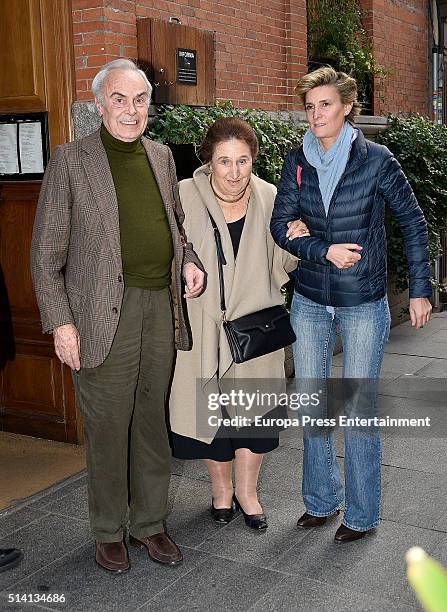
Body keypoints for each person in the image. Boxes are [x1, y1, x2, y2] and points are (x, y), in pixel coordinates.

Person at [30, 59, 205, 572]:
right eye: (120, 100)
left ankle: (150, 524)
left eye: (141, 100)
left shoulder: (161, 157)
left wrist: (189, 262)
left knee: (151, 422)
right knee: (108, 426)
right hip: (102, 316)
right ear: (100, 104)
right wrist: (61, 323)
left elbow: (175, 226)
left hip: (159, 307)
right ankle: (109, 530)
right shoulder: (70, 161)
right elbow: (45, 253)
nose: (132, 111)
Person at [270, 67, 432, 543]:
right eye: (310, 106)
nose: (316, 114)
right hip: (310, 300)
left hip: (362, 302)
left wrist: (420, 288)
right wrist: (322, 250)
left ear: (345, 107)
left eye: (325, 104)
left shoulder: (376, 160)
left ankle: (361, 515)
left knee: (359, 409)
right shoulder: (296, 159)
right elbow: (281, 224)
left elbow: (413, 222)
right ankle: (321, 501)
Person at [169, 118, 300, 530]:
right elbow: (169, 251)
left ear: (253, 160)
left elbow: (282, 265)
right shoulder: (183, 196)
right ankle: (221, 492)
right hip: (203, 324)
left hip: (254, 329)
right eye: (224, 161)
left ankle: (248, 493)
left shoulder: (270, 197)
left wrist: (296, 240)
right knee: (211, 417)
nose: (233, 172)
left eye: (242, 161)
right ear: (208, 160)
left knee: (254, 418)